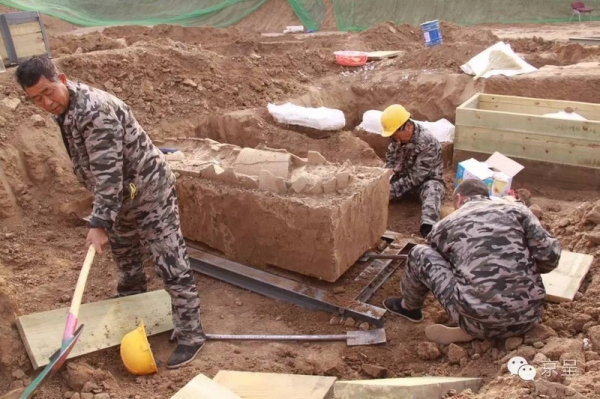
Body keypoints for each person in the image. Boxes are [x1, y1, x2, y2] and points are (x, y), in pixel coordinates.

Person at [15, 56, 205, 368]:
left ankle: (191, 333)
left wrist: (99, 221)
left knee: (169, 260)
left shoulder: (94, 111)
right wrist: (106, 216)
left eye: (49, 92)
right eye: (36, 99)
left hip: (149, 191)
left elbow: (108, 174)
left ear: (61, 78)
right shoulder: (66, 109)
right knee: (126, 256)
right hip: (121, 197)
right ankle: (132, 305)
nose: (46, 102)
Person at [382, 179, 562, 345]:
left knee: (419, 253)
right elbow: (550, 258)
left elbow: (437, 264)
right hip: (529, 317)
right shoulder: (519, 211)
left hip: (477, 321)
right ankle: (497, 319)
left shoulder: (446, 225)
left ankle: (409, 308)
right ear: (487, 196)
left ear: (459, 199)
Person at [380, 104, 444, 237]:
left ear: (408, 126)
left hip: (424, 182)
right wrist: (386, 177)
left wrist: (390, 191)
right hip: (403, 179)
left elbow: (416, 177)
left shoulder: (428, 142)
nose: (394, 139)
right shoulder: (396, 140)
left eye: (395, 134)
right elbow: (391, 160)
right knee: (378, 188)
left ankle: (429, 228)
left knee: (433, 189)